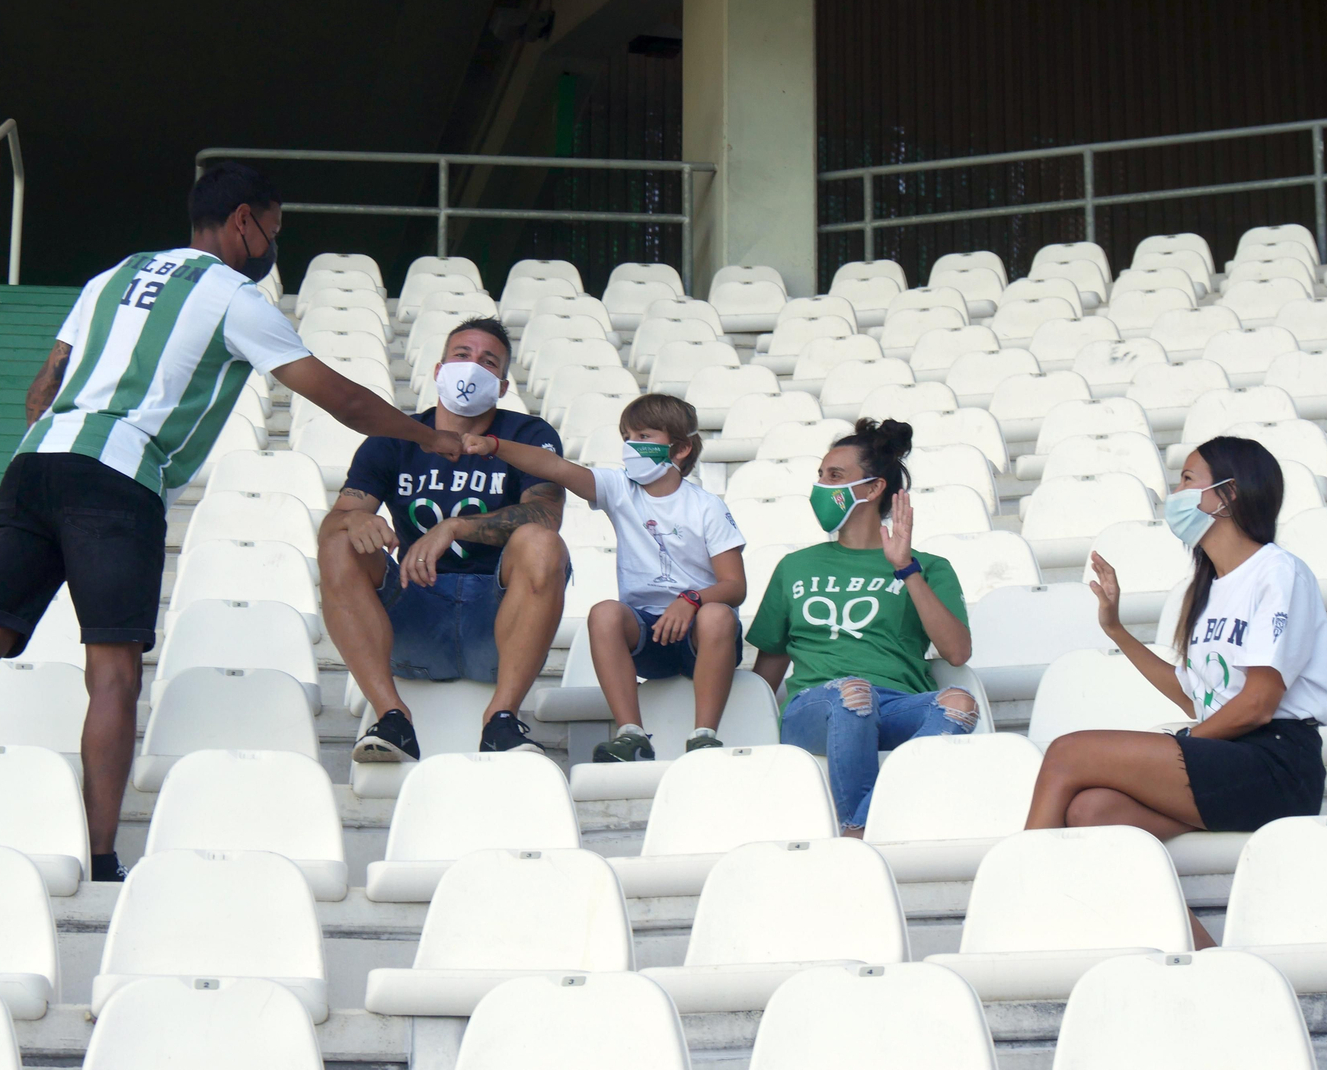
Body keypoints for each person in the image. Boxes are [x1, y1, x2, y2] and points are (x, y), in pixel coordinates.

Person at [0, 162, 461, 882]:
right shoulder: (233, 296)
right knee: (114, 673)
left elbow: (42, 389)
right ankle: (100, 858)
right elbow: (341, 400)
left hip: (34, 464)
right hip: (117, 477)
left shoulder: (112, 277)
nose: (272, 245)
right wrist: (425, 435)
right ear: (244, 220)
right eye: (273, 230)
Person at [1026, 435, 1327, 949]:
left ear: (1228, 494)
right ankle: (1210, 960)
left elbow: (1259, 703)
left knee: (1067, 754)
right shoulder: (1207, 588)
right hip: (1226, 757)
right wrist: (1117, 631)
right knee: (1093, 813)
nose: (1175, 494)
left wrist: (1190, 740)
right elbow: (1195, 698)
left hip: (1276, 763)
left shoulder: (1277, 572)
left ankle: (1023, 898)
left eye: (1188, 480)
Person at [320, 317, 570, 761]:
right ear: (438, 370)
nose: (472, 367)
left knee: (542, 543)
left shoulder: (529, 436)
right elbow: (332, 524)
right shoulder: (393, 439)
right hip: (412, 615)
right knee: (339, 541)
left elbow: (547, 514)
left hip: (497, 622)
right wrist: (353, 521)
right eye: (462, 355)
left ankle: (502, 720)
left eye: (488, 362)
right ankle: (392, 717)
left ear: (503, 385)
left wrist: (454, 527)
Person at [461, 393, 747, 761]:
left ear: (680, 449)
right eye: (627, 437)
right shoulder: (619, 488)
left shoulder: (707, 506)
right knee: (604, 613)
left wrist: (691, 600)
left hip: (702, 637)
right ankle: (632, 736)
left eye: (644, 436)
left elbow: (734, 586)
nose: (631, 446)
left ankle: (704, 737)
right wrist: (495, 446)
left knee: (717, 615)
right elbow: (554, 467)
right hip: (647, 637)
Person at [747, 420, 976, 837]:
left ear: (873, 489)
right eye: (820, 476)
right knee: (854, 692)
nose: (821, 486)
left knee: (959, 703)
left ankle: (862, 823)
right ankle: (858, 830)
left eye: (835, 476)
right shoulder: (794, 566)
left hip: (895, 706)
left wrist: (906, 569)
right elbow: (768, 669)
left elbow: (957, 652)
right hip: (816, 707)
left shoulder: (929, 567)